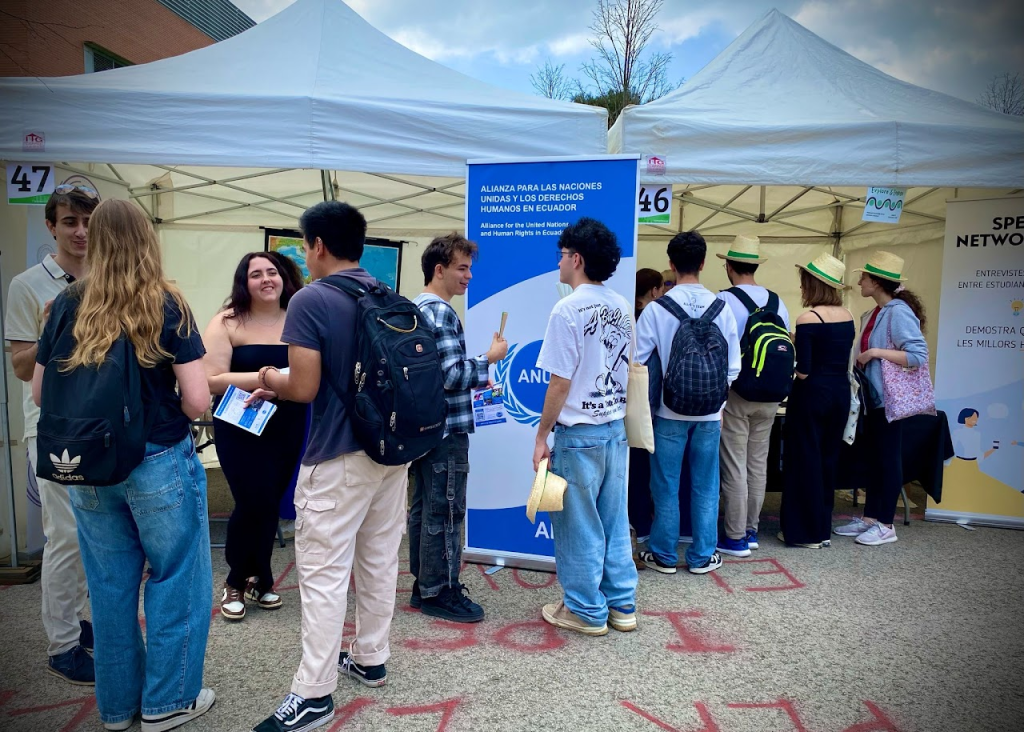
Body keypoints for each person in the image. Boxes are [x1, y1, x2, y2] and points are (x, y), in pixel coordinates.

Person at [33, 199, 213, 731]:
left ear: (96, 238)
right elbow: (197, 400)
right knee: (176, 579)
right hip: (157, 458)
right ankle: (167, 702)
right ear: (146, 238)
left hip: (88, 465)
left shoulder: (68, 303)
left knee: (109, 588)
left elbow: (41, 393)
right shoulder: (166, 302)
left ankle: (117, 709)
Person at [249, 202, 408, 732]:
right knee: (379, 560)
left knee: (322, 574)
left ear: (317, 245)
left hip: (337, 456)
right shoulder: (388, 295)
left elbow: (303, 386)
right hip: (389, 453)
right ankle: (370, 657)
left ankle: (314, 694)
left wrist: (268, 378)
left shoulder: (311, 299)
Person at [5, 183, 97, 684]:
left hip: (101, 425)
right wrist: (51, 331)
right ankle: (62, 645)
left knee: (93, 533)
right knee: (64, 534)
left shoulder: (107, 277)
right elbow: (21, 367)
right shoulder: (28, 285)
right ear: (51, 227)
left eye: (88, 222)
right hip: (54, 428)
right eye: (69, 222)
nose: (80, 232)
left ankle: (78, 621)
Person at [532, 217, 638, 636]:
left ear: (576, 259)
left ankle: (584, 609)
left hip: (578, 435)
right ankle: (622, 604)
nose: (559, 262)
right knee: (613, 519)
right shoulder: (621, 304)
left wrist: (541, 435)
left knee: (578, 526)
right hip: (614, 428)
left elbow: (559, 382)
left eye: (562, 255)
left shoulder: (567, 309)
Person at [408, 233, 507, 622]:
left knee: (424, 509)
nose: (468, 276)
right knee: (447, 512)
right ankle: (441, 591)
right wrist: (489, 359)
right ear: (439, 270)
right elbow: (451, 375)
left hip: (423, 429)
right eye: (462, 268)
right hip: (448, 429)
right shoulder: (442, 312)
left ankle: (424, 585)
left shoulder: (416, 307)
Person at [203, 251, 307, 621]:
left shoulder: (299, 317)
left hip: (288, 422)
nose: (266, 279)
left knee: (270, 501)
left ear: (284, 277)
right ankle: (235, 580)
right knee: (252, 500)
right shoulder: (227, 321)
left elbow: (313, 371)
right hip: (240, 424)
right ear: (244, 283)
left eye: (272, 272)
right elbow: (211, 379)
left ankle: (261, 578)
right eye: (256, 274)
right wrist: (266, 377)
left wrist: (279, 385)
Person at [635, 231, 740, 576]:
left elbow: (637, 362)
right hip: (710, 413)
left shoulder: (656, 309)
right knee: (706, 485)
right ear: (704, 263)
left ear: (671, 263)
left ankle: (664, 555)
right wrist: (717, 404)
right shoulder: (722, 308)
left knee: (665, 484)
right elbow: (733, 367)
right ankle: (702, 556)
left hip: (668, 410)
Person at [835, 252, 928, 547]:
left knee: (887, 459)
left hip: (888, 399)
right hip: (874, 398)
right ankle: (871, 518)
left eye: (863, 277)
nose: (859, 282)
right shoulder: (876, 312)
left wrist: (875, 353)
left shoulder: (897, 312)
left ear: (876, 282)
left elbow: (917, 354)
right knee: (876, 458)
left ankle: (886, 523)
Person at [715, 235, 791, 556]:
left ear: (729, 267)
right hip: (771, 395)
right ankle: (751, 529)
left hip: (738, 392)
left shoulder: (723, 300)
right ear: (755, 267)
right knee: (758, 464)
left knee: (735, 464)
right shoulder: (778, 301)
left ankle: (734, 537)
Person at [778, 253, 854, 548]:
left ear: (813, 285)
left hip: (812, 395)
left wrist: (794, 346)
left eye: (804, 283)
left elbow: (804, 371)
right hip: (840, 392)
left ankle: (804, 532)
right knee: (828, 459)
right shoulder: (848, 316)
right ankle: (822, 528)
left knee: (804, 459)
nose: (801, 288)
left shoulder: (808, 319)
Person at [628, 268, 663, 555]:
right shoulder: (655, 318)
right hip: (649, 406)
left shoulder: (628, 316)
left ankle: (635, 524)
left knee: (632, 470)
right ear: (654, 290)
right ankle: (642, 524)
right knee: (644, 470)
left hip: (626, 403)